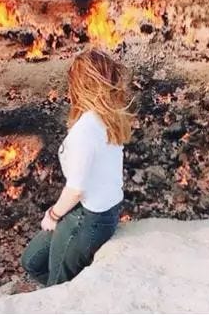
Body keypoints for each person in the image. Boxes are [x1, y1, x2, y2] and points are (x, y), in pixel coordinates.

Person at [21, 48, 132, 287]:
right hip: (97, 211)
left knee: (57, 286)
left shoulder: (87, 130)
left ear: (80, 86)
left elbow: (75, 189)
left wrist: (53, 214)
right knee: (31, 260)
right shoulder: (109, 118)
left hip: (88, 218)